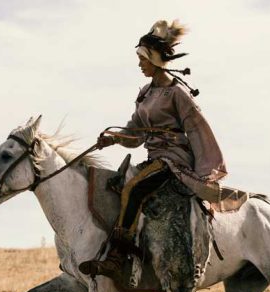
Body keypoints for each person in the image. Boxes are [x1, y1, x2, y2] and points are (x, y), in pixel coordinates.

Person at [78, 20, 227, 277]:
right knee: (117, 184)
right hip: (153, 157)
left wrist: (206, 170)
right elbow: (134, 134)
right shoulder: (145, 93)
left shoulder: (177, 93)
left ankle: (117, 257)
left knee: (133, 188)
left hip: (173, 160)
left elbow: (197, 129)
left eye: (143, 59)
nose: (139, 64)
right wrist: (113, 138)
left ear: (156, 60)